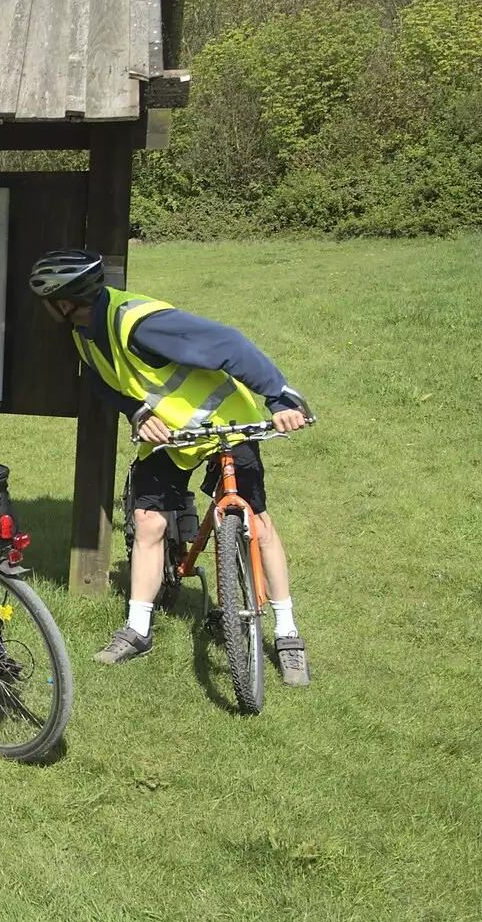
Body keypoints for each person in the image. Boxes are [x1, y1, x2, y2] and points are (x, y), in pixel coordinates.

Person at [28, 249, 311, 683]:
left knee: (257, 525)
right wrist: (139, 413)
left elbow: (229, 344)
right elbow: (106, 383)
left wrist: (279, 396)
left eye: (47, 301)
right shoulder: (85, 331)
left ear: (64, 302)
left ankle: (287, 633)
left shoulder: (140, 323)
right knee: (148, 524)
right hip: (171, 438)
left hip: (225, 426)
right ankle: (138, 629)